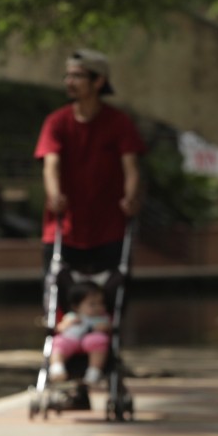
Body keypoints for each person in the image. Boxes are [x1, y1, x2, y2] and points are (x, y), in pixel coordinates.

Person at [34, 48, 146, 285]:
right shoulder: (56, 122)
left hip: (109, 226)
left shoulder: (119, 122)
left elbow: (131, 167)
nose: (69, 81)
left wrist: (131, 197)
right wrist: (55, 196)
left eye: (77, 76)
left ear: (98, 81)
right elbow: (50, 164)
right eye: (68, 76)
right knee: (58, 293)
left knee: (113, 293)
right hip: (65, 226)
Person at [49, 280, 111, 385]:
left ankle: (94, 371)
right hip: (71, 340)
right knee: (57, 342)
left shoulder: (101, 318)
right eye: (92, 304)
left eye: (101, 303)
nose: (98, 307)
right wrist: (66, 324)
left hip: (90, 341)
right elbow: (59, 329)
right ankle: (57, 368)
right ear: (77, 307)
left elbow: (109, 327)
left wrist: (102, 328)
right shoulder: (72, 316)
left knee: (99, 340)